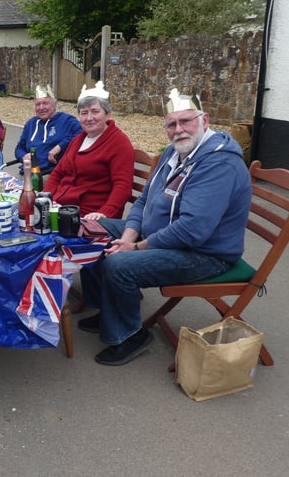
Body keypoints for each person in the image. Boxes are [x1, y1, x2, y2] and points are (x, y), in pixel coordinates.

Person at [77, 88, 252, 366]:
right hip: (161, 234)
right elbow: (144, 201)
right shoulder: (174, 152)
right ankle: (112, 311)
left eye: (186, 121)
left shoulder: (219, 163)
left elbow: (193, 230)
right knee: (91, 230)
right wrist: (128, 236)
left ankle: (131, 335)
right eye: (171, 124)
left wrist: (134, 248)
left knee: (118, 265)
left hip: (205, 253)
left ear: (204, 120)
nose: (178, 130)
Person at [42, 81, 134, 220]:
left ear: (108, 114)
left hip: (89, 215)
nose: (89, 118)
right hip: (61, 208)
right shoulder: (79, 139)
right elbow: (57, 174)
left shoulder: (119, 143)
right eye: (84, 113)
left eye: (95, 111)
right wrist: (45, 199)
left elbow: (123, 187)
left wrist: (104, 213)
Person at [14, 83, 82, 175]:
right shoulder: (31, 124)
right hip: (28, 172)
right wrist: (24, 156)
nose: (41, 108)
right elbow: (19, 149)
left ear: (54, 105)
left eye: (45, 103)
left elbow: (82, 133)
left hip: (51, 173)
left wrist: (60, 146)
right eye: (38, 104)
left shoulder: (67, 120)